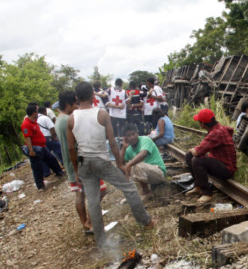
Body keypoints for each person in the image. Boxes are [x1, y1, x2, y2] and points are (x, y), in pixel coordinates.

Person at [67, 81, 155, 247]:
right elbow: (113, 143)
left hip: (84, 162)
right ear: (93, 96)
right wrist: (120, 164)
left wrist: (77, 171)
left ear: (77, 98)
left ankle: (101, 241)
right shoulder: (101, 114)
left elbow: (72, 148)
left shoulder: (71, 119)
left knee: (92, 200)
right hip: (100, 159)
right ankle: (146, 222)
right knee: (129, 187)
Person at [55, 90, 108, 232]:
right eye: (75, 104)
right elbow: (74, 146)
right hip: (80, 162)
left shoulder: (59, 119)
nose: (78, 107)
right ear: (68, 105)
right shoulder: (69, 120)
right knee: (100, 191)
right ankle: (89, 221)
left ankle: (86, 223)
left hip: (72, 162)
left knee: (81, 193)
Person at [185, 108, 236, 203]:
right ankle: (199, 186)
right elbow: (231, 130)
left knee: (196, 160)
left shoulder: (216, 132)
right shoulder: (217, 128)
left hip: (226, 169)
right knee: (189, 155)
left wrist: (193, 150)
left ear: (203, 124)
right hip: (219, 162)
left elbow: (197, 152)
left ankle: (207, 193)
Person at [21, 103, 64, 190]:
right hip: (35, 148)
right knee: (37, 167)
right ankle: (40, 185)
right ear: (33, 113)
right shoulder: (26, 124)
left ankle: (59, 172)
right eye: (36, 111)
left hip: (42, 146)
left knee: (51, 159)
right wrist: (31, 150)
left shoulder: (34, 121)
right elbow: (27, 138)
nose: (38, 113)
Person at [121, 124, 166, 198]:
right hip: (147, 173)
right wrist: (123, 148)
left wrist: (129, 165)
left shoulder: (145, 139)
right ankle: (131, 195)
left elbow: (143, 154)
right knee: (124, 169)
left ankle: (146, 192)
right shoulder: (129, 148)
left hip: (158, 172)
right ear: (125, 138)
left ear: (137, 133)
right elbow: (121, 163)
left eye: (133, 134)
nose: (132, 137)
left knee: (135, 164)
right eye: (129, 136)